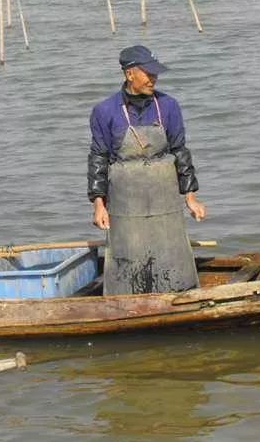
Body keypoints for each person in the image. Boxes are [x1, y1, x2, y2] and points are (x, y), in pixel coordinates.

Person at [87, 45, 207, 295]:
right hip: (125, 201)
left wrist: (191, 197)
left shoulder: (169, 106)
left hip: (164, 197)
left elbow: (180, 152)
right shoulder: (104, 111)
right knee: (128, 255)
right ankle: (125, 299)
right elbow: (98, 159)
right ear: (130, 74)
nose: (154, 78)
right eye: (148, 73)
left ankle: (179, 292)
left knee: (170, 250)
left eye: (156, 73)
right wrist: (99, 204)